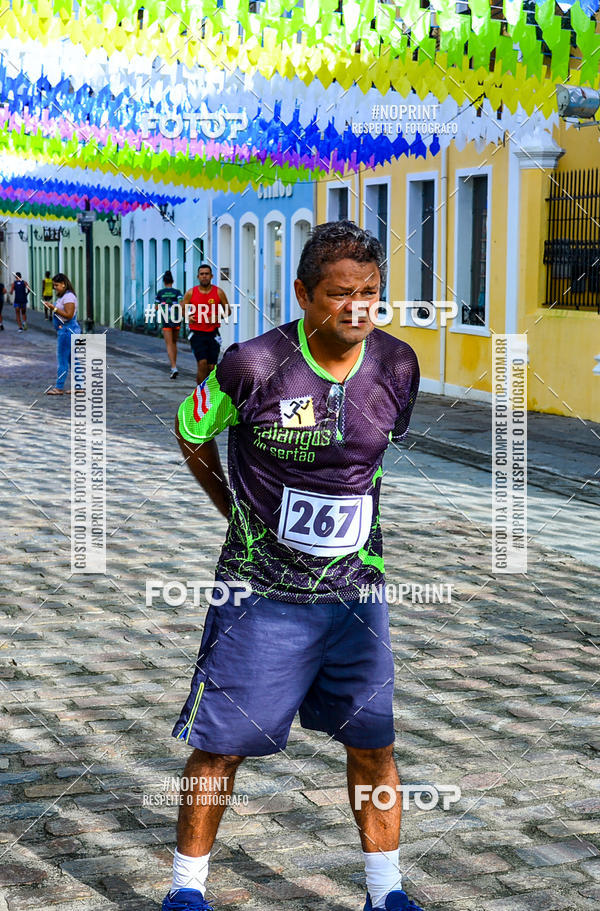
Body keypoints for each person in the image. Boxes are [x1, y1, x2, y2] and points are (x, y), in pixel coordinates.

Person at [164, 221, 422, 911]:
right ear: (304, 293)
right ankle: (186, 892)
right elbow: (192, 432)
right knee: (221, 745)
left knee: (374, 743)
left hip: (355, 597)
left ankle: (386, 890)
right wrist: (233, 509)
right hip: (261, 594)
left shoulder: (397, 365)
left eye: (371, 292)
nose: (358, 308)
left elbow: (367, 461)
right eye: (341, 294)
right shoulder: (250, 364)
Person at [181, 264, 230, 384]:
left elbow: (228, 310)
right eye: (202, 274)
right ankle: (200, 393)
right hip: (196, 333)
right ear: (198, 276)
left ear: (211, 276)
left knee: (211, 367)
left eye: (206, 274)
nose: (204, 276)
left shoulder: (218, 292)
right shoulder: (191, 293)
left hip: (213, 333)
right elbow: (182, 309)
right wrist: (188, 317)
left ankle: (208, 391)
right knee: (202, 363)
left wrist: (218, 316)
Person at [44, 273, 81, 395]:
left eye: (57, 285)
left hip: (67, 331)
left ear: (64, 284)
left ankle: (59, 387)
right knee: (73, 359)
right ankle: (79, 386)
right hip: (68, 330)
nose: (55, 288)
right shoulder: (64, 296)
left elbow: (69, 315)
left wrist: (53, 308)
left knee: (63, 360)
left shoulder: (69, 297)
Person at [155, 270, 183, 379]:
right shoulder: (177, 292)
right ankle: (174, 365)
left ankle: (173, 366)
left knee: (169, 344)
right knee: (174, 343)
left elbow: (156, 307)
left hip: (166, 321)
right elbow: (181, 304)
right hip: (176, 320)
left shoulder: (160, 293)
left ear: (163, 281)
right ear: (173, 281)